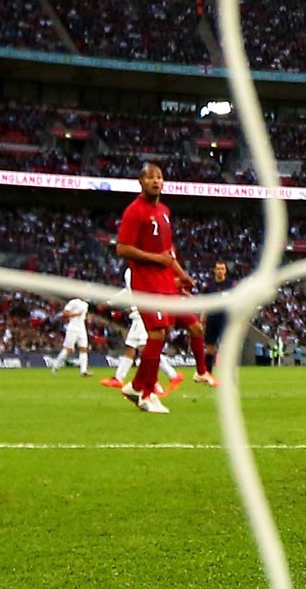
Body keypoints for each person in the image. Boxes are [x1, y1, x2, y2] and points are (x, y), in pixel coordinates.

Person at [116, 163, 211, 415]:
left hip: (166, 283)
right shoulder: (134, 211)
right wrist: (156, 260)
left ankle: (139, 387)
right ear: (141, 182)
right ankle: (143, 391)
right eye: (150, 177)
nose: (156, 181)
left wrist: (182, 275)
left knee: (177, 329)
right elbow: (122, 248)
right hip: (146, 283)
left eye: (159, 177)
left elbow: (168, 254)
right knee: (157, 333)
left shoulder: (165, 211)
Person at [102, 266, 180, 397]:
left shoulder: (142, 270)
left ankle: (158, 381)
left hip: (144, 312)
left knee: (147, 349)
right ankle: (118, 378)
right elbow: (129, 291)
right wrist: (110, 302)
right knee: (130, 348)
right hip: (136, 313)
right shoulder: (130, 271)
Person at [50, 297, 91, 375]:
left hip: (82, 329)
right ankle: (55, 367)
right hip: (73, 328)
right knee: (69, 350)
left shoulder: (85, 304)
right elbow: (65, 313)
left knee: (84, 348)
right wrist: (75, 314)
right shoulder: (73, 302)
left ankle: (83, 370)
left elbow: (83, 317)